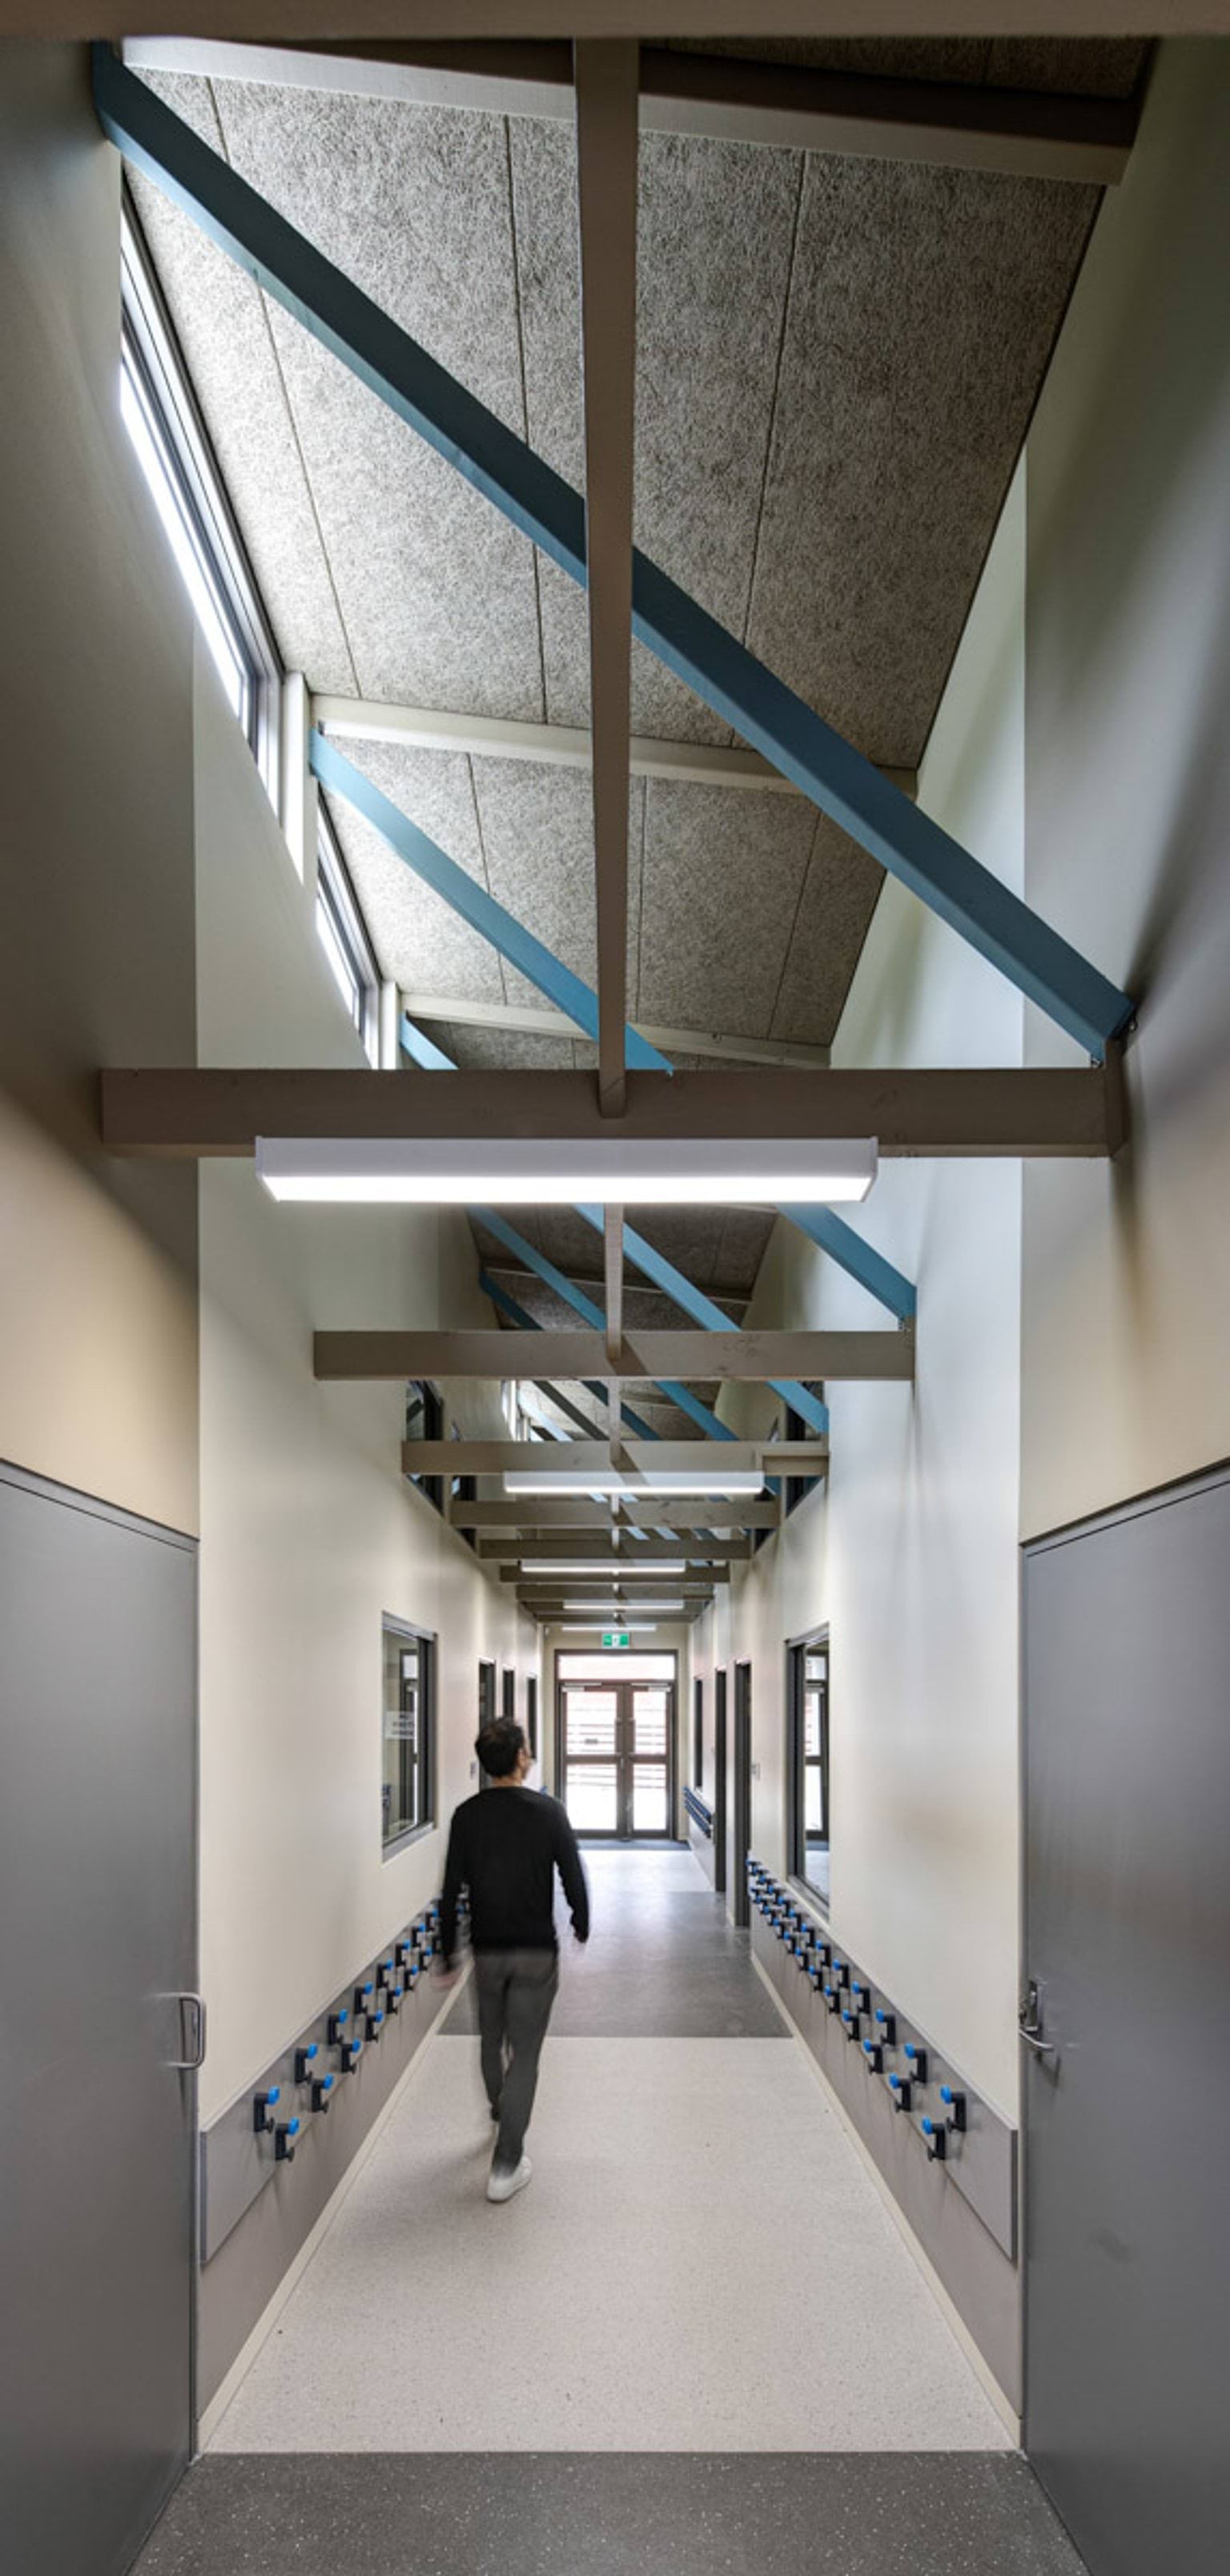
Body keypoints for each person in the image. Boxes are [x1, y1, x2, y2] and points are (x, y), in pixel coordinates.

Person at [438, 1718, 589, 2204]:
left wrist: (447, 1952)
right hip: (534, 1952)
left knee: (491, 2039)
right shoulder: (548, 1812)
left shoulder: (467, 1815)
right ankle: (506, 2164)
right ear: (521, 1757)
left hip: (488, 1950)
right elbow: (571, 1872)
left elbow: (450, 1891)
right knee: (525, 2054)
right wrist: (582, 1921)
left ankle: (502, 2110)